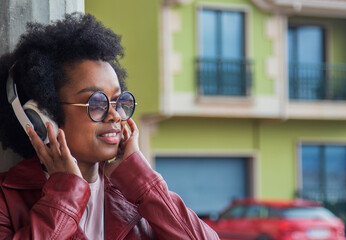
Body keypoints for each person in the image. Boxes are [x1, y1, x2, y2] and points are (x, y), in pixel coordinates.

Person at [0, 13, 219, 239]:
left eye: (119, 101)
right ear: (44, 118)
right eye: (96, 102)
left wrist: (142, 181)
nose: (115, 115)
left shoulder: (136, 195)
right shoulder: (6, 200)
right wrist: (65, 197)